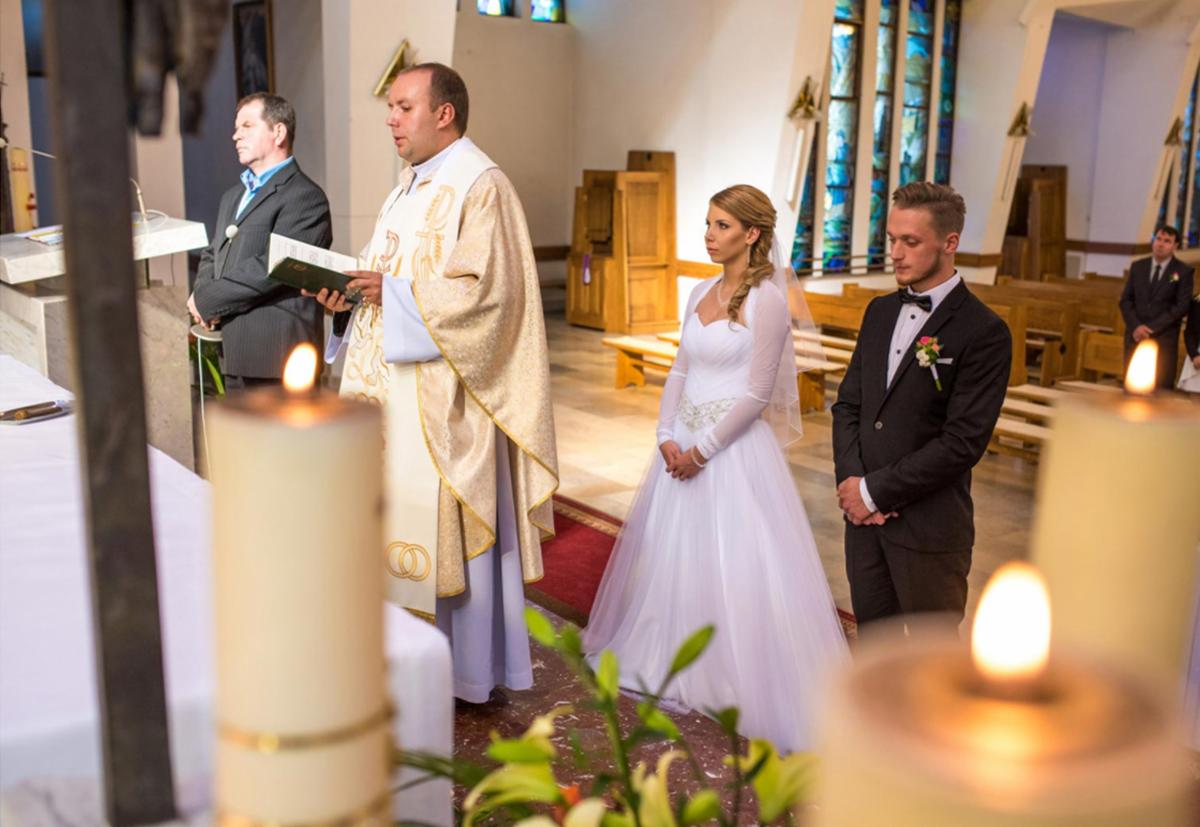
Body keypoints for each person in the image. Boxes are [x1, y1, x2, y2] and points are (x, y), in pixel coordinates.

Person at [310, 63, 558, 703]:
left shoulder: (482, 185)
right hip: (387, 395)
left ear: (443, 113)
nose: (390, 119)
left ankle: (460, 674)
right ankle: (399, 662)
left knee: (441, 539)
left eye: (402, 107)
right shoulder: (406, 189)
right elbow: (385, 273)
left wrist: (392, 294)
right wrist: (348, 298)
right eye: (390, 108)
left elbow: (492, 299)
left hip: (444, 405)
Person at [581, 185, 847, 753]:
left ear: (751, 235)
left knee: (736, 561)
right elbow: (680, 368)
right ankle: (667, 651)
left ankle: (731, 672)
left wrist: (703, 451)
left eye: (721, 225)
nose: (708, 234)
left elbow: (757, 394)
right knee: (675, 557)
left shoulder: (768, 301)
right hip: (680, 449)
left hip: (731, 454)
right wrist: (665, 434)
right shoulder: (700, 289)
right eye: (707, 223)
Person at [831, 182, 1011, 631]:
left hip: (929, 531)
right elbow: (849, 406)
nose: (895, 252)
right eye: (892, 239)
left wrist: (876, 492)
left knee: (932, 667)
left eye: (910, 242)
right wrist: (854, 487)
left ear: (950, 243)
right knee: (874, 655)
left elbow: (961, 443)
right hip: (864, 527)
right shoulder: (879, 312)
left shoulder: (984, 331)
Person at [188, 93, 331, 389]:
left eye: (246, 126)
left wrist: (207, 300)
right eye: (236, 127)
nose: (235, 135)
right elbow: (213, 253)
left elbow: (273, 266)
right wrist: (201, 297)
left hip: (278, 358)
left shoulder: (305, 197)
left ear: (278, 132)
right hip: (235, 349)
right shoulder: (232, 196)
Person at [1119, 225, 1194, 390]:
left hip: (1163, 339)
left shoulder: (1182, 271)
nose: (1161, 244)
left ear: (1175, 246)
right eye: (1158, 239)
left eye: (1167, 241)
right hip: (1135, 336)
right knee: (1132, 388)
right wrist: (1136, 326)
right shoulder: (1138, 267)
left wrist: (1151, 328)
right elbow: (1126, 300)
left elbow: (1181, 306)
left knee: (1160, 391)